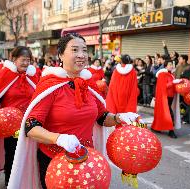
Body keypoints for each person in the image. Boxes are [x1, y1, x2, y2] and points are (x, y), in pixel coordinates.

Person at [7, 33, 141, 189]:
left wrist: (120, 117)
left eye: (84, 50)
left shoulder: (88, 83)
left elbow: (102, 117)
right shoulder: (50, 85)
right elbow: (31, 127)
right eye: (75, 50)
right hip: (55, 163)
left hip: (87, 160)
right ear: (61, 55)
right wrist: (58, 138)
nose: (82, 55)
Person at [0, 46, 39, 186]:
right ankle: (10, 182)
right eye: (22, 60)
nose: (25, 63)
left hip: (30, 123)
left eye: (28, 60)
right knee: (12, 154)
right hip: (11, 124)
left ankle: (27, 180)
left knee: (30, 153)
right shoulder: (4, 74)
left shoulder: (34, 75)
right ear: (14, 59)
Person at [151, 60, 181, 138]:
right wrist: (173, 82)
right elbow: (164, 86)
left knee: (165, 114)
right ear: (165, 66)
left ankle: (157, 127)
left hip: (170, 97)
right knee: (169, 114)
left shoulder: (171, 74)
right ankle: (171, 131)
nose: (172, 66)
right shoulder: (162, 74)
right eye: (170, 64)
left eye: (172, 64)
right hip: (164, 97)